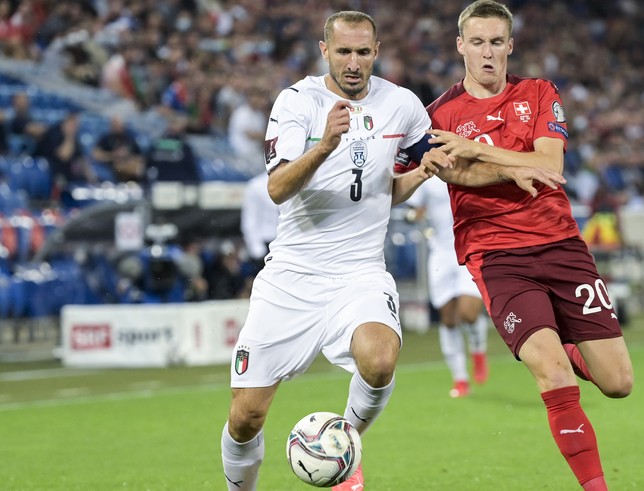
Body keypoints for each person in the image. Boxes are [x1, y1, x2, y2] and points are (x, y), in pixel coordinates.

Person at [219, 11, 563, 491]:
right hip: (291, 277)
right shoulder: (298, 102)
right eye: (344, 52)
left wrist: (430, 171)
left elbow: (394, 186)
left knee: (380, 359)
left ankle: (344, 452)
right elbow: (278, 188)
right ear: (325, 52)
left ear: (376, 52)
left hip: (360, 272)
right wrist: (324, 146)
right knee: (246, 416)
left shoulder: (400, 105)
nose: (354, 62)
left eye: (363, 52)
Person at [413, 2, 635, 489]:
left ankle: (575, 351)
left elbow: (549, 162)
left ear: (510, 45)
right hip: (496, 257)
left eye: (497, 42)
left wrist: (474, 146)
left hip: (562, 247)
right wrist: (515, 164)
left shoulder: (538, 92)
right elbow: (459, 174)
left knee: (619, 383)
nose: (487, 53)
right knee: (552, 375)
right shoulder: (438, 115)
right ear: (460, 46)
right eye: (477, 42)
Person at [405, 177, 490, 398]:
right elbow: (410, 210)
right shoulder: (428, 173)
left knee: (469, 312)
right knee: (448, 318)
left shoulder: (470, 164)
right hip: (441, 254)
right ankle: (460, 378)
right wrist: (415, 215)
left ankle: (478, 351)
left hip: (471, 248)